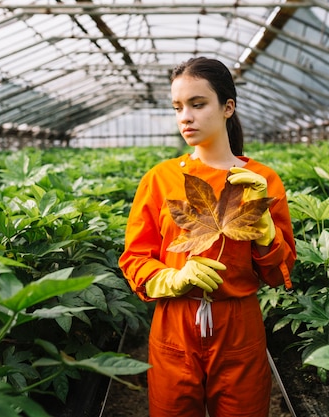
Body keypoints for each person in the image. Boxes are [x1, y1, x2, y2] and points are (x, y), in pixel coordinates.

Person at [119, 56, 296, 417]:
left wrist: (265, 232)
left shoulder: (263, 180)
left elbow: (279, 274)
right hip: (174, 323)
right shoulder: (160, 178)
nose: (186, 116)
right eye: (178, 107)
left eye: (198, 104)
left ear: (227, 107)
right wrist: (170, 277)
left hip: (239, 325)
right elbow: (135, 258)